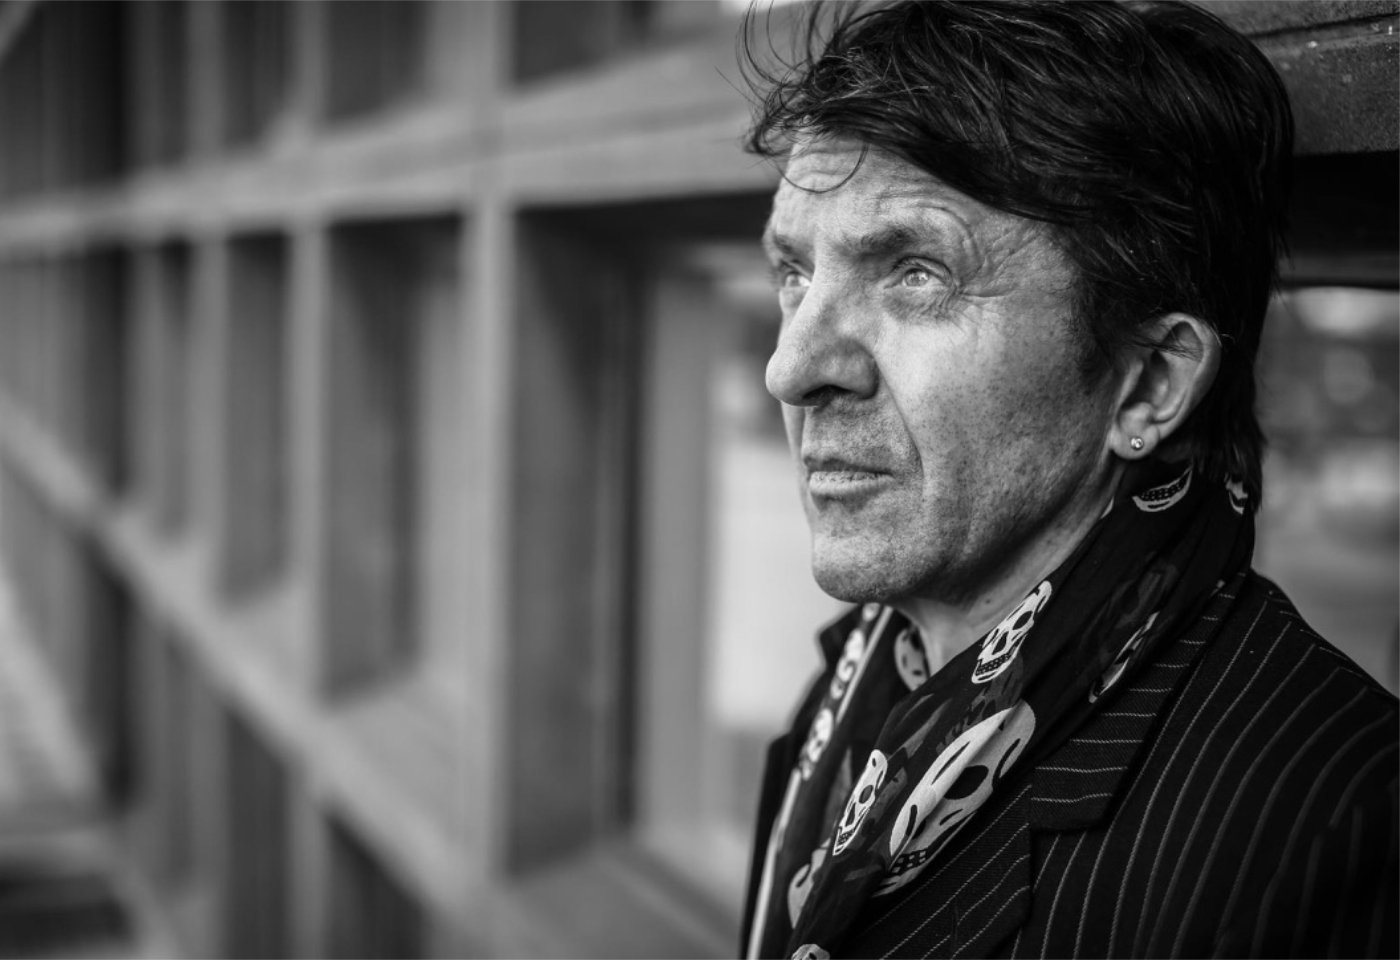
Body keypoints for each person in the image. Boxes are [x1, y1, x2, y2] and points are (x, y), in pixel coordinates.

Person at [735, 3, 1399, 958]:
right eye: (794, 273)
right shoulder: (864, 684)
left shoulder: (1326, 828)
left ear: (1149, 382)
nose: (791, 368)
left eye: (917, 272)